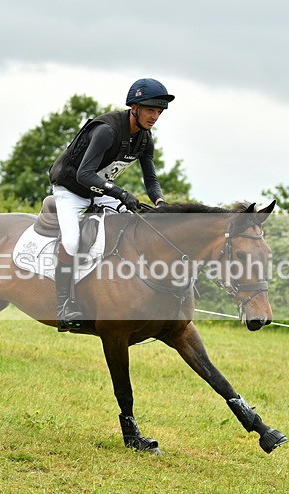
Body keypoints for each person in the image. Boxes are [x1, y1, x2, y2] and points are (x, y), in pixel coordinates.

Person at [48, 78, 174, 332]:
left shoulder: (145, 139)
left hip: (98, 190)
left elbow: (150, 179)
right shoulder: (107, 130)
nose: (155, 116)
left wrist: (160, 202)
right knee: (72, 241)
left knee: (134, 227)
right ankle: (64, 305)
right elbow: (84, 174)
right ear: (134, 108)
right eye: (150, 109)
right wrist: (120, 193)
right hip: (70, 189)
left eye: (159, 111)